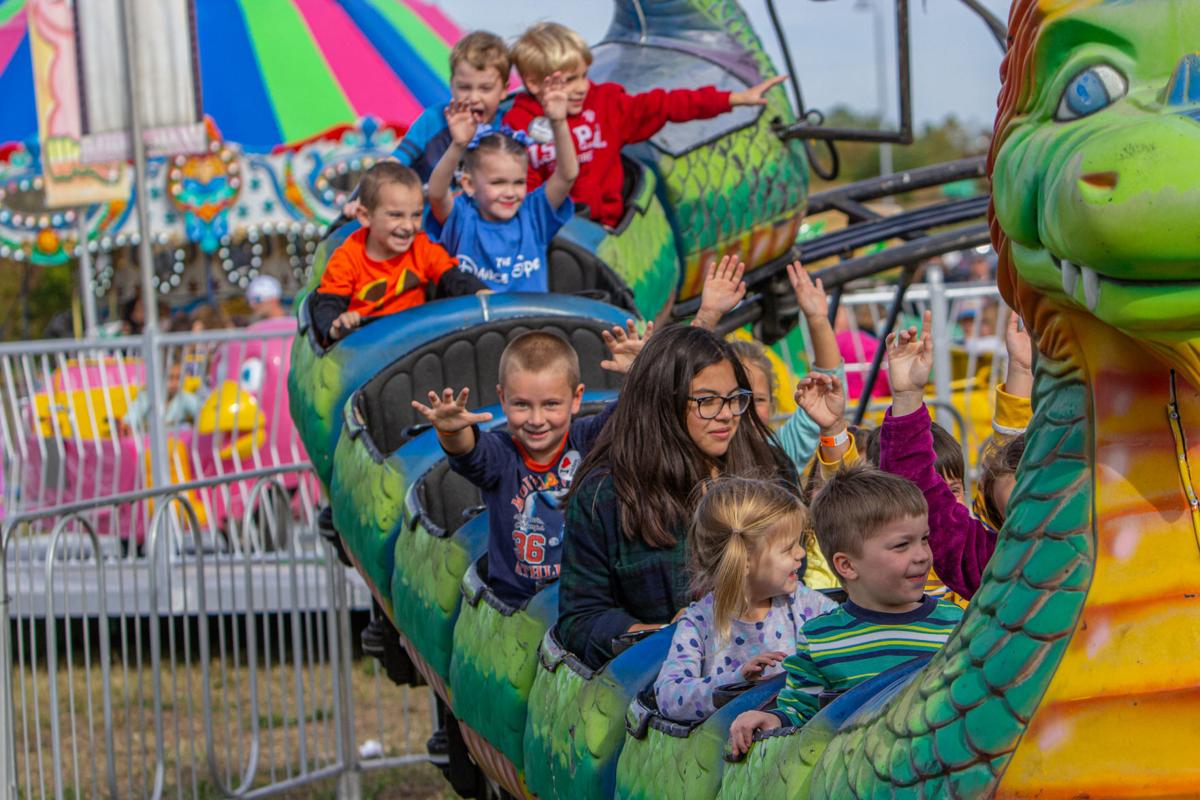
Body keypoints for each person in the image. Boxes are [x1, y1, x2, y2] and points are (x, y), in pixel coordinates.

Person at [556, 324, 793, 670]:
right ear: (663, 403)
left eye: (733, 398)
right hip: (663, 688)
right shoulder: (605, 496)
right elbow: (580, 620)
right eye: (707, 401)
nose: (726, 414)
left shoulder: (768, 467)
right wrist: (667, 633)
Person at [728, 467, 964, 755]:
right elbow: (802, 711)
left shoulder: (956, 624)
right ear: (847, 565)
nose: (922, 555)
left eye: (924, 539)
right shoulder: (821, 637)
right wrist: (772, 717)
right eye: (902, 545)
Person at [410, 323, 649, 607]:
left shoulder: (588, 440)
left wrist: (642, 375)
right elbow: (470, 453)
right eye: (522, 405)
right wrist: (450, 431)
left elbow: (630, 416)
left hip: (588, 600)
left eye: (550, 404)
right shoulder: (502, 455)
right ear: (502, 399)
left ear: (576, 399)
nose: (536, 419)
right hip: (519, 607)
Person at [503, 22, 787, 228]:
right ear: (534, 83)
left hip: (605, 232)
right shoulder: (518, 123)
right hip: (552, 232)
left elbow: (666, 104)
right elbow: (521, 185)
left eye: (584, 75)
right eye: (568, 80)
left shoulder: (606, 104)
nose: (581, 88)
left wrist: (734, 98)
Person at [653, 477, 836, 723]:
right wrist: (734, 682)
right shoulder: (700, 622)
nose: (801, 553)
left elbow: (847, 637)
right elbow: (668, 697)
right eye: (788, 548)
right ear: (745, 559)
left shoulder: (807, 605)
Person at [878, 308, 1032, 599]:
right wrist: (908, 396)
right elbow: (922, 497)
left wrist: (1023, 372)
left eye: (1037, 505)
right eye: (1013, 517)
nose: (1031, 525)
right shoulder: (1001, 568)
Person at [425, 71, 578, 293]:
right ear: (468, 185)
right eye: (497, 183)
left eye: (518, 182)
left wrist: (559, 122)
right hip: (475, 325)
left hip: (530, 326)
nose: (510, 192)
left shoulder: (534, 214)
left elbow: (567, 175)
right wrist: (457, 145)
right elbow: (437, 194)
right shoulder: (462, 218)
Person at [311, 162, 486, 343]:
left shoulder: (421, 247)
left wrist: (481, 292)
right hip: (366, 347)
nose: (409, 226)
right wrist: (337, 326)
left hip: (412, 346)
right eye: (396, 215)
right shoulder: (347, 258)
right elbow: (327, 307)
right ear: (365, 216)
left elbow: (453, 278)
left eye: (416, 215)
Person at [341, 31, 510, 218]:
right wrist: (364, 198)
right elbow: (395, 164)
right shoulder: (434, 119)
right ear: (452, 85)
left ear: (504, 90)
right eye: (464, 87)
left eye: (485, 88)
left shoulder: (509, 126)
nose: (473, 97)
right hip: (428, 223)